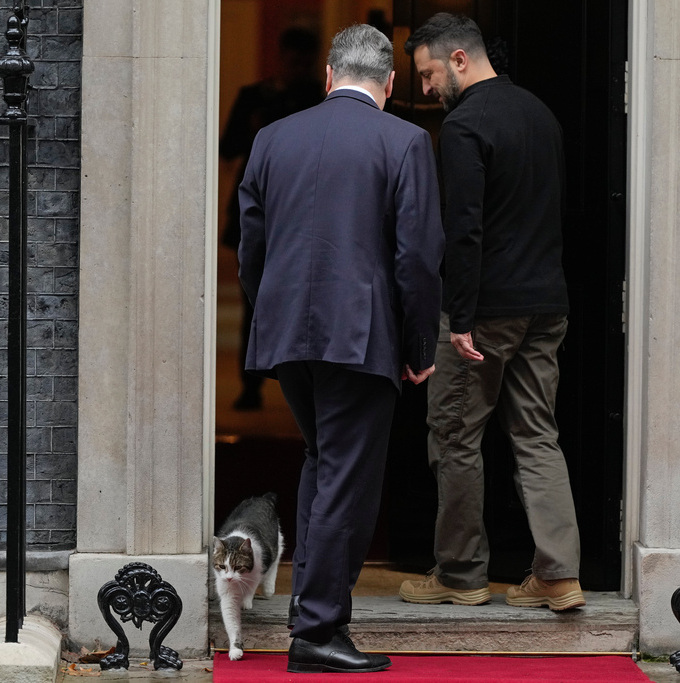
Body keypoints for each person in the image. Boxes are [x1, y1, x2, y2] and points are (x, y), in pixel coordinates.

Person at [238, 23, 444, 673]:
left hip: (288, 334)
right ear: (388, 83)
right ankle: (319, 630)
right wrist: (417, 345)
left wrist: (268, 313)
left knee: (323, 465)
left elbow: (251, 248)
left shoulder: (273, 138)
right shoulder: (407, 141)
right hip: (361, 336)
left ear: (328, 76)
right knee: (345, 481)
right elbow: (417, 259)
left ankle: (312, 614)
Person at [398, 13, 584, 612]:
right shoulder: (541, 114)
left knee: (454, 434)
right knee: (537, 435)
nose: (425, 89)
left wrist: (460, 316)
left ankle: (459, 574)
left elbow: (465, 230)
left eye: (428, 73)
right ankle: (558, 575)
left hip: (485, 309)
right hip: (547, 303)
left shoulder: (464, 125)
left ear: (458, 60)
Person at [220, 27, 325, 411]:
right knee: (254, 299)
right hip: (260, 206)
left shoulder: (318, 98)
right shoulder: (254, 96)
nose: (298, 68)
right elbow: (227, 148)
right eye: (293, 60)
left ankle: (304, 385)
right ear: (281, 56)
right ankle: (251, 386)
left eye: (304, 62)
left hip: (304, 209)